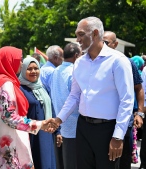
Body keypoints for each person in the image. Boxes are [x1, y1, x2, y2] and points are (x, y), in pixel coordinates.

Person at [49, 16, 134, 169]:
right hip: (83, 128)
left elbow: (126, 100)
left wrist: (118, 136)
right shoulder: (79, 63)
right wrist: (58, 119)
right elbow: (74, 95)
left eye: (81, 34)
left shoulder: (118, 61)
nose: (77, 39)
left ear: (95, 33)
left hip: (108, 130)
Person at [0, 46, 55, 169]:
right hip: (10, 143)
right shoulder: (5, 84)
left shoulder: (0, 81)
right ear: (9, 61)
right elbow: (10, 117)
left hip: (6, 139)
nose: (21, 63)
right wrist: (39, 124)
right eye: (19, 59)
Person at [103, 31, 144, 169]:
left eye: (106, 42)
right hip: (102, 123)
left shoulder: (127, 62)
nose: (103, 45)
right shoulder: (95, 62)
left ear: (115, 44)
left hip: (124, 122)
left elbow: (138, 88)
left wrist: (139, 112)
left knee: (122, 161)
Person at [19, 57, 60, 169]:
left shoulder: (42, 87)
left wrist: (58, 131)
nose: (33, 71)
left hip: (47, 134)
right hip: (32, 135)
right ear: (23, 71)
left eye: (36, 68)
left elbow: (51, 108)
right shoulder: (20, 89)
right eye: (29, 69)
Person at [50, 42, 82, 169]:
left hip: (60, 124)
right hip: (74, 125)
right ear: (76, 55)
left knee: (62, 163)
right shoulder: (74, 72)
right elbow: (75, 99)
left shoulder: (56, 70)